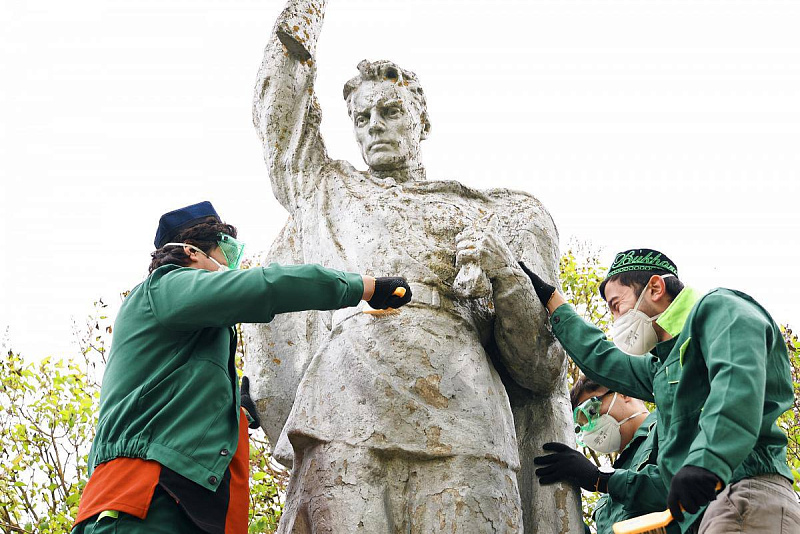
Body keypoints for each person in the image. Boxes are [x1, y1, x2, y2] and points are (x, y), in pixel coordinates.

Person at [245, 1, 584, 531]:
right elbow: (279, 120)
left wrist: (506, 275)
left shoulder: (485, 211)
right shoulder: (330, 190)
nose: (375, 127)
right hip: (346, 408)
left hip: (463, 409)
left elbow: (538, 369)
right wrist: (303, 15)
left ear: (421, 120)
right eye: (362, 118)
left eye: (390, 111)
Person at [70, 200, 411, 534]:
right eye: (226, 251)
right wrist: (364, 287)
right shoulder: (165, 287)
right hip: (144, 501)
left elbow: (173, 404)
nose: (229, 265)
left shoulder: (186, 327)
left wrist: (238, 414)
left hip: (182, 504)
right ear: (190, 251)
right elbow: (267, 287)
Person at [520, 249, 800, 533]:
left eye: (617, 305)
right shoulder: (664, 367)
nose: (616, 320)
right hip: (711, 512)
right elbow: (602, 358)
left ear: (655, 288)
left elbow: (736, 387)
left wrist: (705, 463)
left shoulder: (720, 308)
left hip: (747, 493)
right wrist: (552, 301)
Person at [535, 375, 675, 534]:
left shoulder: (670, 426)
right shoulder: (607, 500)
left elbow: (680, 489)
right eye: (581, 426)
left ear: (623, 393)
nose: (589, 429)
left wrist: (601, 479)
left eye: (591, 411)